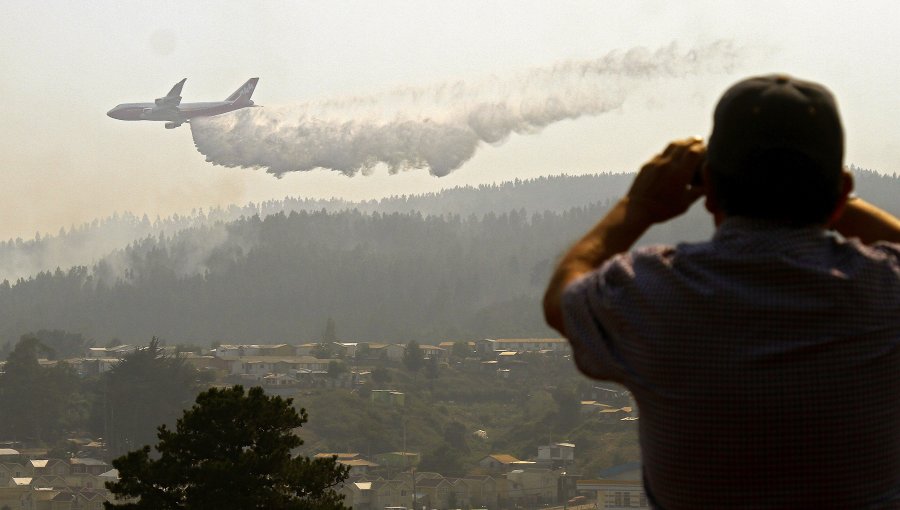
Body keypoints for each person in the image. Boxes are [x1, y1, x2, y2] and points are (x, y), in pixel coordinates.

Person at [543, 74, 900, 508]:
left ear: (709, 187)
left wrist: (636, 208)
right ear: (840, 193)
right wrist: (834, 198)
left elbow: (563, 295)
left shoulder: (655, 291)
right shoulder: (885, 290)